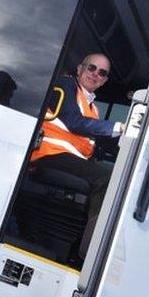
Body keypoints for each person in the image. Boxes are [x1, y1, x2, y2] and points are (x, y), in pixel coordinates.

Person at [30, 53, 123, 253]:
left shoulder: (94, 109)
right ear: (80, 68)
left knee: (118, 176)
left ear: (104, 80)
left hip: (68, 159)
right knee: (107, 179)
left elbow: (91, 139)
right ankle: (92, 249)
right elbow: (74, 122)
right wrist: (119, 127)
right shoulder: (67, 85)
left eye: (102, 73)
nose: (95, 74)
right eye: (91, 68)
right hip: (49, 155)